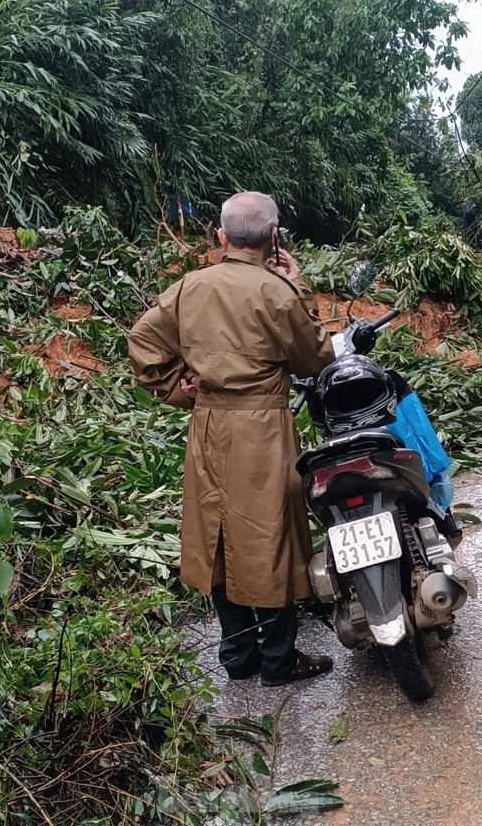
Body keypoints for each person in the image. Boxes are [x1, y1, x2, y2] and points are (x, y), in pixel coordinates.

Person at [128, 192, 337, 686]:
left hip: (209, 426)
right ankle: (278, 660)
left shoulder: (189, 287)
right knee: (270, 536)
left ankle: (238, 655)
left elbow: (143, 342)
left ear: (221, 237)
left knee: (218, 535)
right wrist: (299, 287)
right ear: (273, 237)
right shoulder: (276, 292)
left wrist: (179, 390)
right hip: (263, 428)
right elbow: (315, 359)